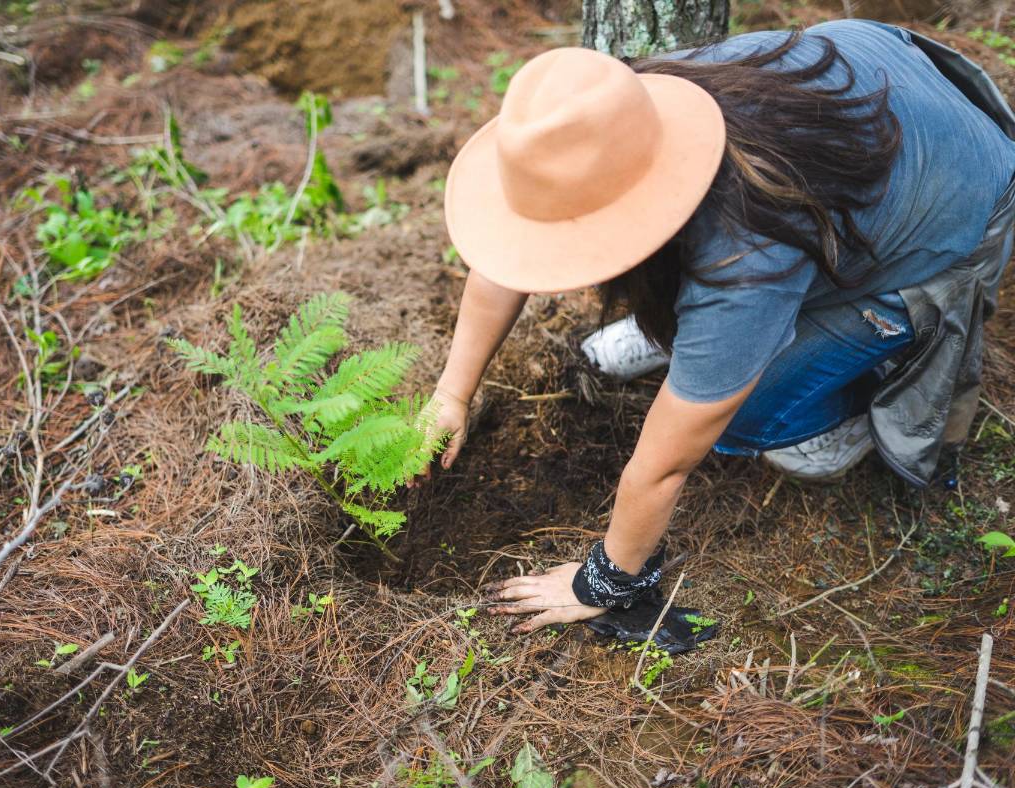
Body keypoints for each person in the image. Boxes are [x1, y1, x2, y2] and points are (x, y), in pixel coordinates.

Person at [425, 20, 1015, 634]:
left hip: (960, 203)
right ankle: (730, 344)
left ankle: (837, 422)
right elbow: (511, 250)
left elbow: (665, 463)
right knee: (726, 338)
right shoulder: (622, 110)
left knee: (736, 417)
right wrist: (452, 392)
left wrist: (605, 580)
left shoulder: (744, 253)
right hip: (884, 96)